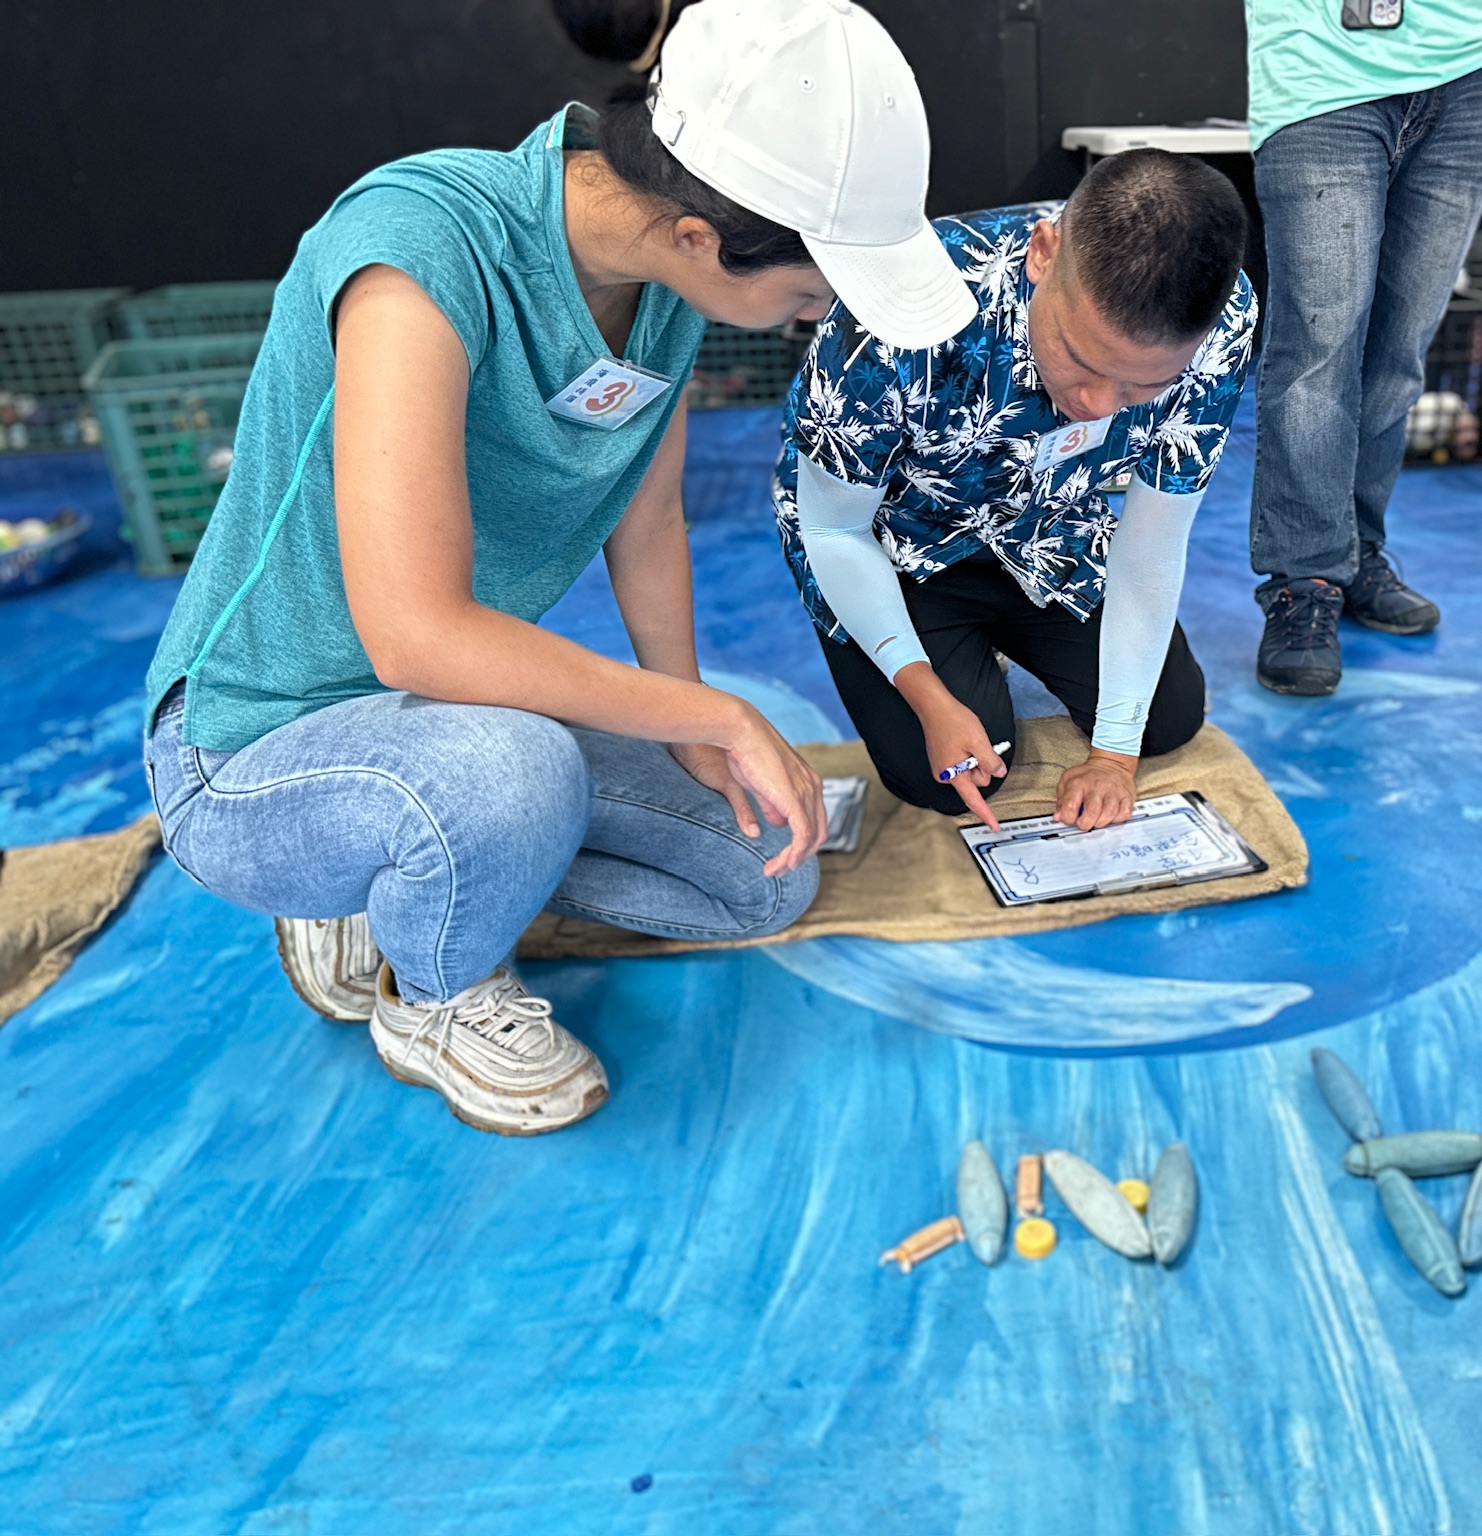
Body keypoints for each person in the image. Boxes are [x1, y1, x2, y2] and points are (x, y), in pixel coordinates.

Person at [140, 0, 975, 1136]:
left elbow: (649, 516)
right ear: (700, 236)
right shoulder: (421, 245)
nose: (817, 312)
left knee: (759, 878)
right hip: (248, 748)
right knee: (512, 772)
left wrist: (688, 727)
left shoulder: (665, 293)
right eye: (810, 289)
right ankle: (430, 991)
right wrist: (716, 714)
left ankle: (417, 871)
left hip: (442, 719)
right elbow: (415, 634)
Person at [770, 149, 1258, 832]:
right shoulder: (902, 305)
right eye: (1080, 359)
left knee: (1164, 719)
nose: (1097, 404)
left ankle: (990, 651)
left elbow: (1151, 549)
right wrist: (926, 693)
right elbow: (832, 529)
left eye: (1143, 386)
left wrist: (1113, 758)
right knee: (945, 775)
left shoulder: (1222, 323)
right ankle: (943, 655)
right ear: (1043, 254)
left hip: (1050, 527)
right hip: (896, 541)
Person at [1246, 0, 1482, 695]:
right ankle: (1305, 579)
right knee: (1318, 351)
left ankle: (1355, 551)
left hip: (1476, 65)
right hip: (1324, 63)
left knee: (1400, 350)